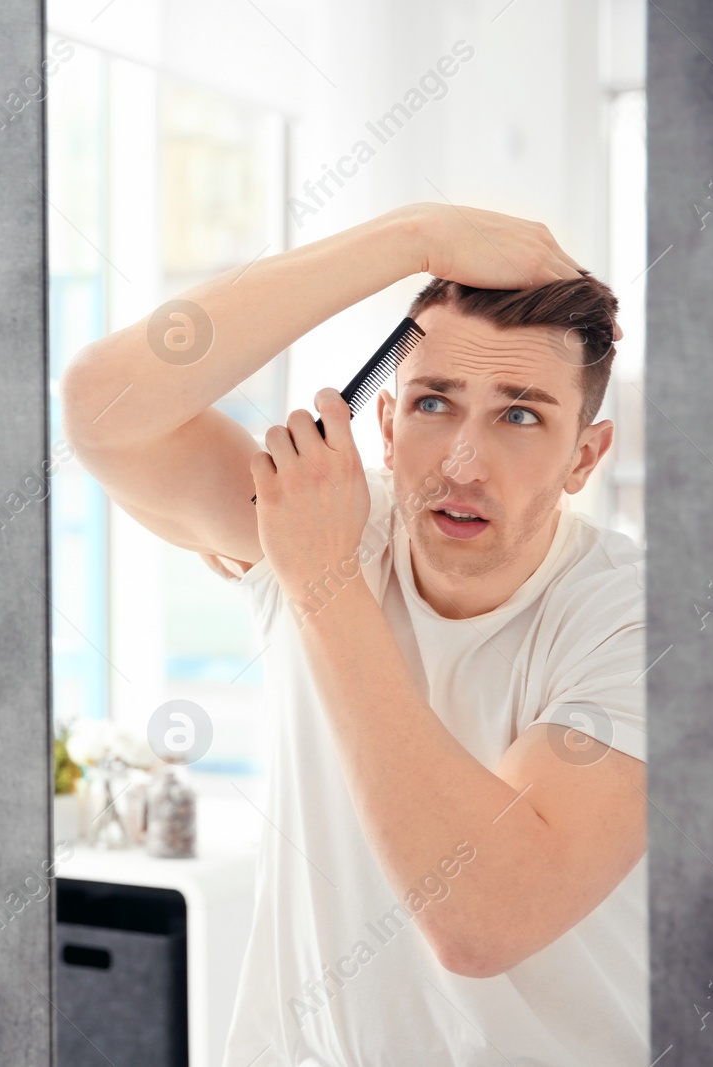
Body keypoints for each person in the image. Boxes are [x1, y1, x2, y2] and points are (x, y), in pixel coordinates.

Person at [61, 204, 645, 1066]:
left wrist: (323, 585)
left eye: (520, 416)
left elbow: (483, 915)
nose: (462, 463)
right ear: (385, 423)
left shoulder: (633, 622)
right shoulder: (331, 515)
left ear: (583, 459)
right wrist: (413, 238)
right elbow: (102, 409)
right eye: (435, 403)